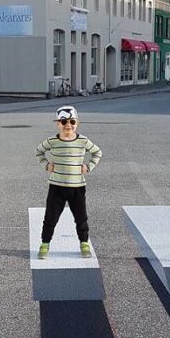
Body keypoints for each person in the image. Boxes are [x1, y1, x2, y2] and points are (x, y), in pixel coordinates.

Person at [35, 105, 102, 259]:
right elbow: (39, 151)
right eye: (63, 122)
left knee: (81, 217)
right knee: (50, 217)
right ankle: (45, 244)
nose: (68, 125)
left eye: (72, 121)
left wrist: (88, 166)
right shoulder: (52, 141)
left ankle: (84, 243)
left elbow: (97, 152)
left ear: (77, 123)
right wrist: (46, 164)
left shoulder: (83, 141)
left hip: (77, 187)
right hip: (56, 186)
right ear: (57, 123)